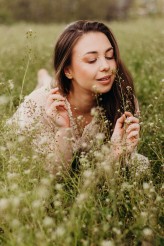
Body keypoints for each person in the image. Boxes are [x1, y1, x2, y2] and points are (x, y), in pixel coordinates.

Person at [9, 20, 149, 175]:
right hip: (41, 106)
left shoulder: (123, 100)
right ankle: (45, 80)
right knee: (47, 87)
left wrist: (116, 156)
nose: (106, 66)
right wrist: (63, 130)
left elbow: (103, 183)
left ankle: (47, 78)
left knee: (140, 165)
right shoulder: (37, 106)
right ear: (68, 70)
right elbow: (53, 177)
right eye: (92, 60)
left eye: (110, 56)